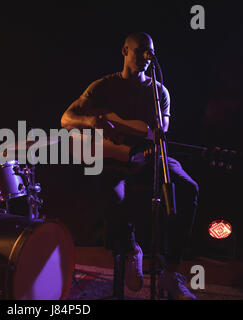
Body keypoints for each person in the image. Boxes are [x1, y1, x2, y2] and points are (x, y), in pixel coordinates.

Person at [61, 32, 199, 299]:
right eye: (139, 51)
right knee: (113, 196)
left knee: (188, 188)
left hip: (150, 157)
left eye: (150, 53)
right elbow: (67, 117)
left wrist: (130, 133)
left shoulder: (158, 91)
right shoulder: (103, 87)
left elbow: (159, 131)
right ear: (124, 51)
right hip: (114, 160)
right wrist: (93, 122)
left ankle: (170, 271)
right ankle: (130, 249)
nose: (145, 58)